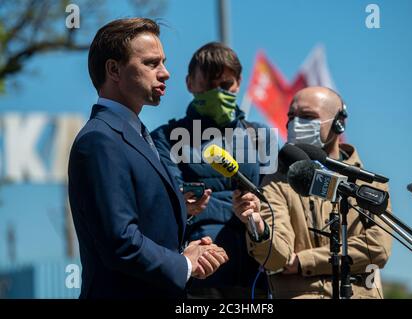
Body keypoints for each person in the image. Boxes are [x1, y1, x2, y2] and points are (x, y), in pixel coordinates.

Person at [68, 18, 228, 299]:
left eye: (163, 62)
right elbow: (120, 242)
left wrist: (190, 249)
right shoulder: (100, 140)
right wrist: (185, 263)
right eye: (151, 64)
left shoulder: (137, 134)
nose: (165, 73)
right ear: (114, 70)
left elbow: (143, 229)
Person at [233, 86, 393, 299]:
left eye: (308, 116)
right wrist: (259, 228)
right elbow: (277, 259)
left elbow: (378, 248)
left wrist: (304, 261)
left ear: (338, 123)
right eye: (291, 116)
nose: (296, 123)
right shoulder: (276, 181)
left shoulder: (368, 183)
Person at [151, 42, 272, 298]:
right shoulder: (165, 138)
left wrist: (259, 214)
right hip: (200, 278)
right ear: (189, 83)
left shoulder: (261, 136)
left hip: (258, 278)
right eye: (208, 85)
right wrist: (187, 208)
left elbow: (279, 205)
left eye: (225, 86)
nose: (218, 93)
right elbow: (166, 209)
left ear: (239, 83)